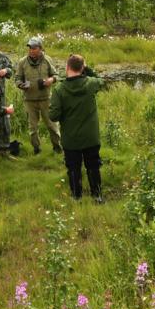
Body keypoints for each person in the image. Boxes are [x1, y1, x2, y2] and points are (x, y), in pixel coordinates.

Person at [49, 53, 104, 202]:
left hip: (71, 138)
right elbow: (101, 81)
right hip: (90, 137)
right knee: (93, 166)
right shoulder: (91, 83)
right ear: (82, 68)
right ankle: (97, 196)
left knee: (73, 168)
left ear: (67, 67)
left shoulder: (59, 89)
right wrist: (87, 68)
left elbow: (53, 116)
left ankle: (77, 197)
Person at [15, 36, 62, 154]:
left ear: (40, 49)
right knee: (33, 128)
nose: (31, 50)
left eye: (34, 48)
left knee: (52, 125)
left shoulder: (47, 60)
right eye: (30, 48)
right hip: (29, 100)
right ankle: (37, 150)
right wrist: (21, 85)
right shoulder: (22, 62)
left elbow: (56, 75)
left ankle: (57, 148)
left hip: (46, 99)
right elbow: (17, 78)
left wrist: (51, 80)